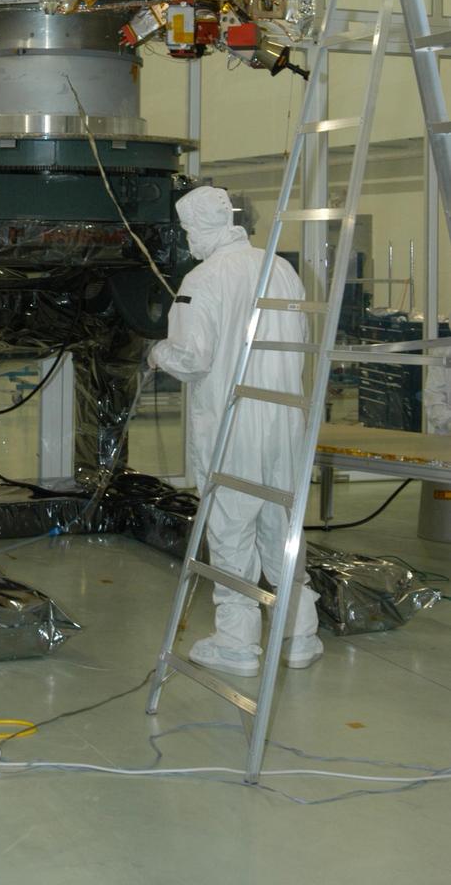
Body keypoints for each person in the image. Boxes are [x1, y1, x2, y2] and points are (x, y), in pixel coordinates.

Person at [148, 185, 323, 677]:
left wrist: (156, 352)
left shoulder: (202, 279)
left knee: (230, 528)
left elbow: (191, 357)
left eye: (186, 231)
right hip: (284, 420)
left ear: (199, 227)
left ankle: (237, 644)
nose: (186, 241)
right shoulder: (282, 270)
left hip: (234, 424)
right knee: (281, 525)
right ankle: (299, 633)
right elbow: (300, 342)